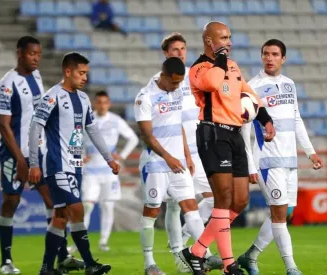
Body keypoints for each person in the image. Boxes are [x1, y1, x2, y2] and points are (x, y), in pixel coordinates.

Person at [177, 22, 275, 275]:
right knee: (223, 199)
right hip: (212, 133)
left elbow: (250, 95)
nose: (228, 42)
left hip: (234, 135)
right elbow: (211, 83)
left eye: (230, 37)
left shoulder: (232, 66)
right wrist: (220, 59)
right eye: (223, 37)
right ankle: (229, 264)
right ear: (209, 41)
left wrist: (266, 120)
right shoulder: (199, 68)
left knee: (240, 201)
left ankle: (196, 251)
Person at [0, 36, 83, 275]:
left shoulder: (36, 77)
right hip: (14, 155)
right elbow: (4, 126)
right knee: (11, 202)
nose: (36, 58)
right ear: (20, 53)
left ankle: (62, 257)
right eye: (32, 54)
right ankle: (6, 260)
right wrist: (21, 160)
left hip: (39, 152)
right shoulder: (7, 83)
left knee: (55, 203)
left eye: (39, 55)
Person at [28, 52, 119, 275]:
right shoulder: (52, 96)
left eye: (86, 73)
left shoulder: (83, 99)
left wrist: (109, 158)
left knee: (60, 218)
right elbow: (35, 126)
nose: (85, 77)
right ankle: (89, 263)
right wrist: (34, 163)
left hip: (76, 167)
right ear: (67, 72)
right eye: (81, 73)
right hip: (57, 165)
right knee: (77, 210)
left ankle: (47, 268)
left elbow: (92, 130)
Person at [237, 39, 323, 275]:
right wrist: (250, 165)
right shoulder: (251, 87)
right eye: (266, 53)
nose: (270, 58)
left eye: (275, 54)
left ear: (283, 58)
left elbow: (296, 120)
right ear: (261, 56)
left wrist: (310, 151)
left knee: (287, 212)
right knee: (278, 213)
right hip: (267, 161)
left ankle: (250, 256)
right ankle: (291, 267)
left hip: (289, 160)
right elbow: (245, 129)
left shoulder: (289, 85)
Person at [150, 32, 222, 273]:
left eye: (182, 49)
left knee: (215, 200)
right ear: (166, 55)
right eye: (174, 50)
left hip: (199, 149)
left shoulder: (195, 75)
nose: (180, 53)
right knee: (174, 206)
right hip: (176, 154)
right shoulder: (158, 82)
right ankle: (182, 252)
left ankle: (186, 237)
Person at [136, 57, 207, 275]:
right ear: (163, 75)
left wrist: (186, 155)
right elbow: (147, 136)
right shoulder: (145, 97)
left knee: (192, 210)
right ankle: (149, 263)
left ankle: (207, 254)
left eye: (180, 83)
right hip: (157, 164)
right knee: (152, 211)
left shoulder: (176, 92)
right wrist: (168, 157)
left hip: (179, 164)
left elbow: (179, 126)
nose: (178, 87)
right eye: (174, 82)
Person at [81, 90, 138, 252]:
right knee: (87, 205)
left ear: (109, 104)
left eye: (105, 102)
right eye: (99, 102)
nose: (102, 105)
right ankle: (81, 240)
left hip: (109, 171)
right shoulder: (87, 119)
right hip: (90, 170)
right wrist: (82, 154)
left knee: (107, 206)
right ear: (94, 103)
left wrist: (121, 156)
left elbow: (133, 138)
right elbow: (76, 138)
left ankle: (103, 241)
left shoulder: (115, 120)